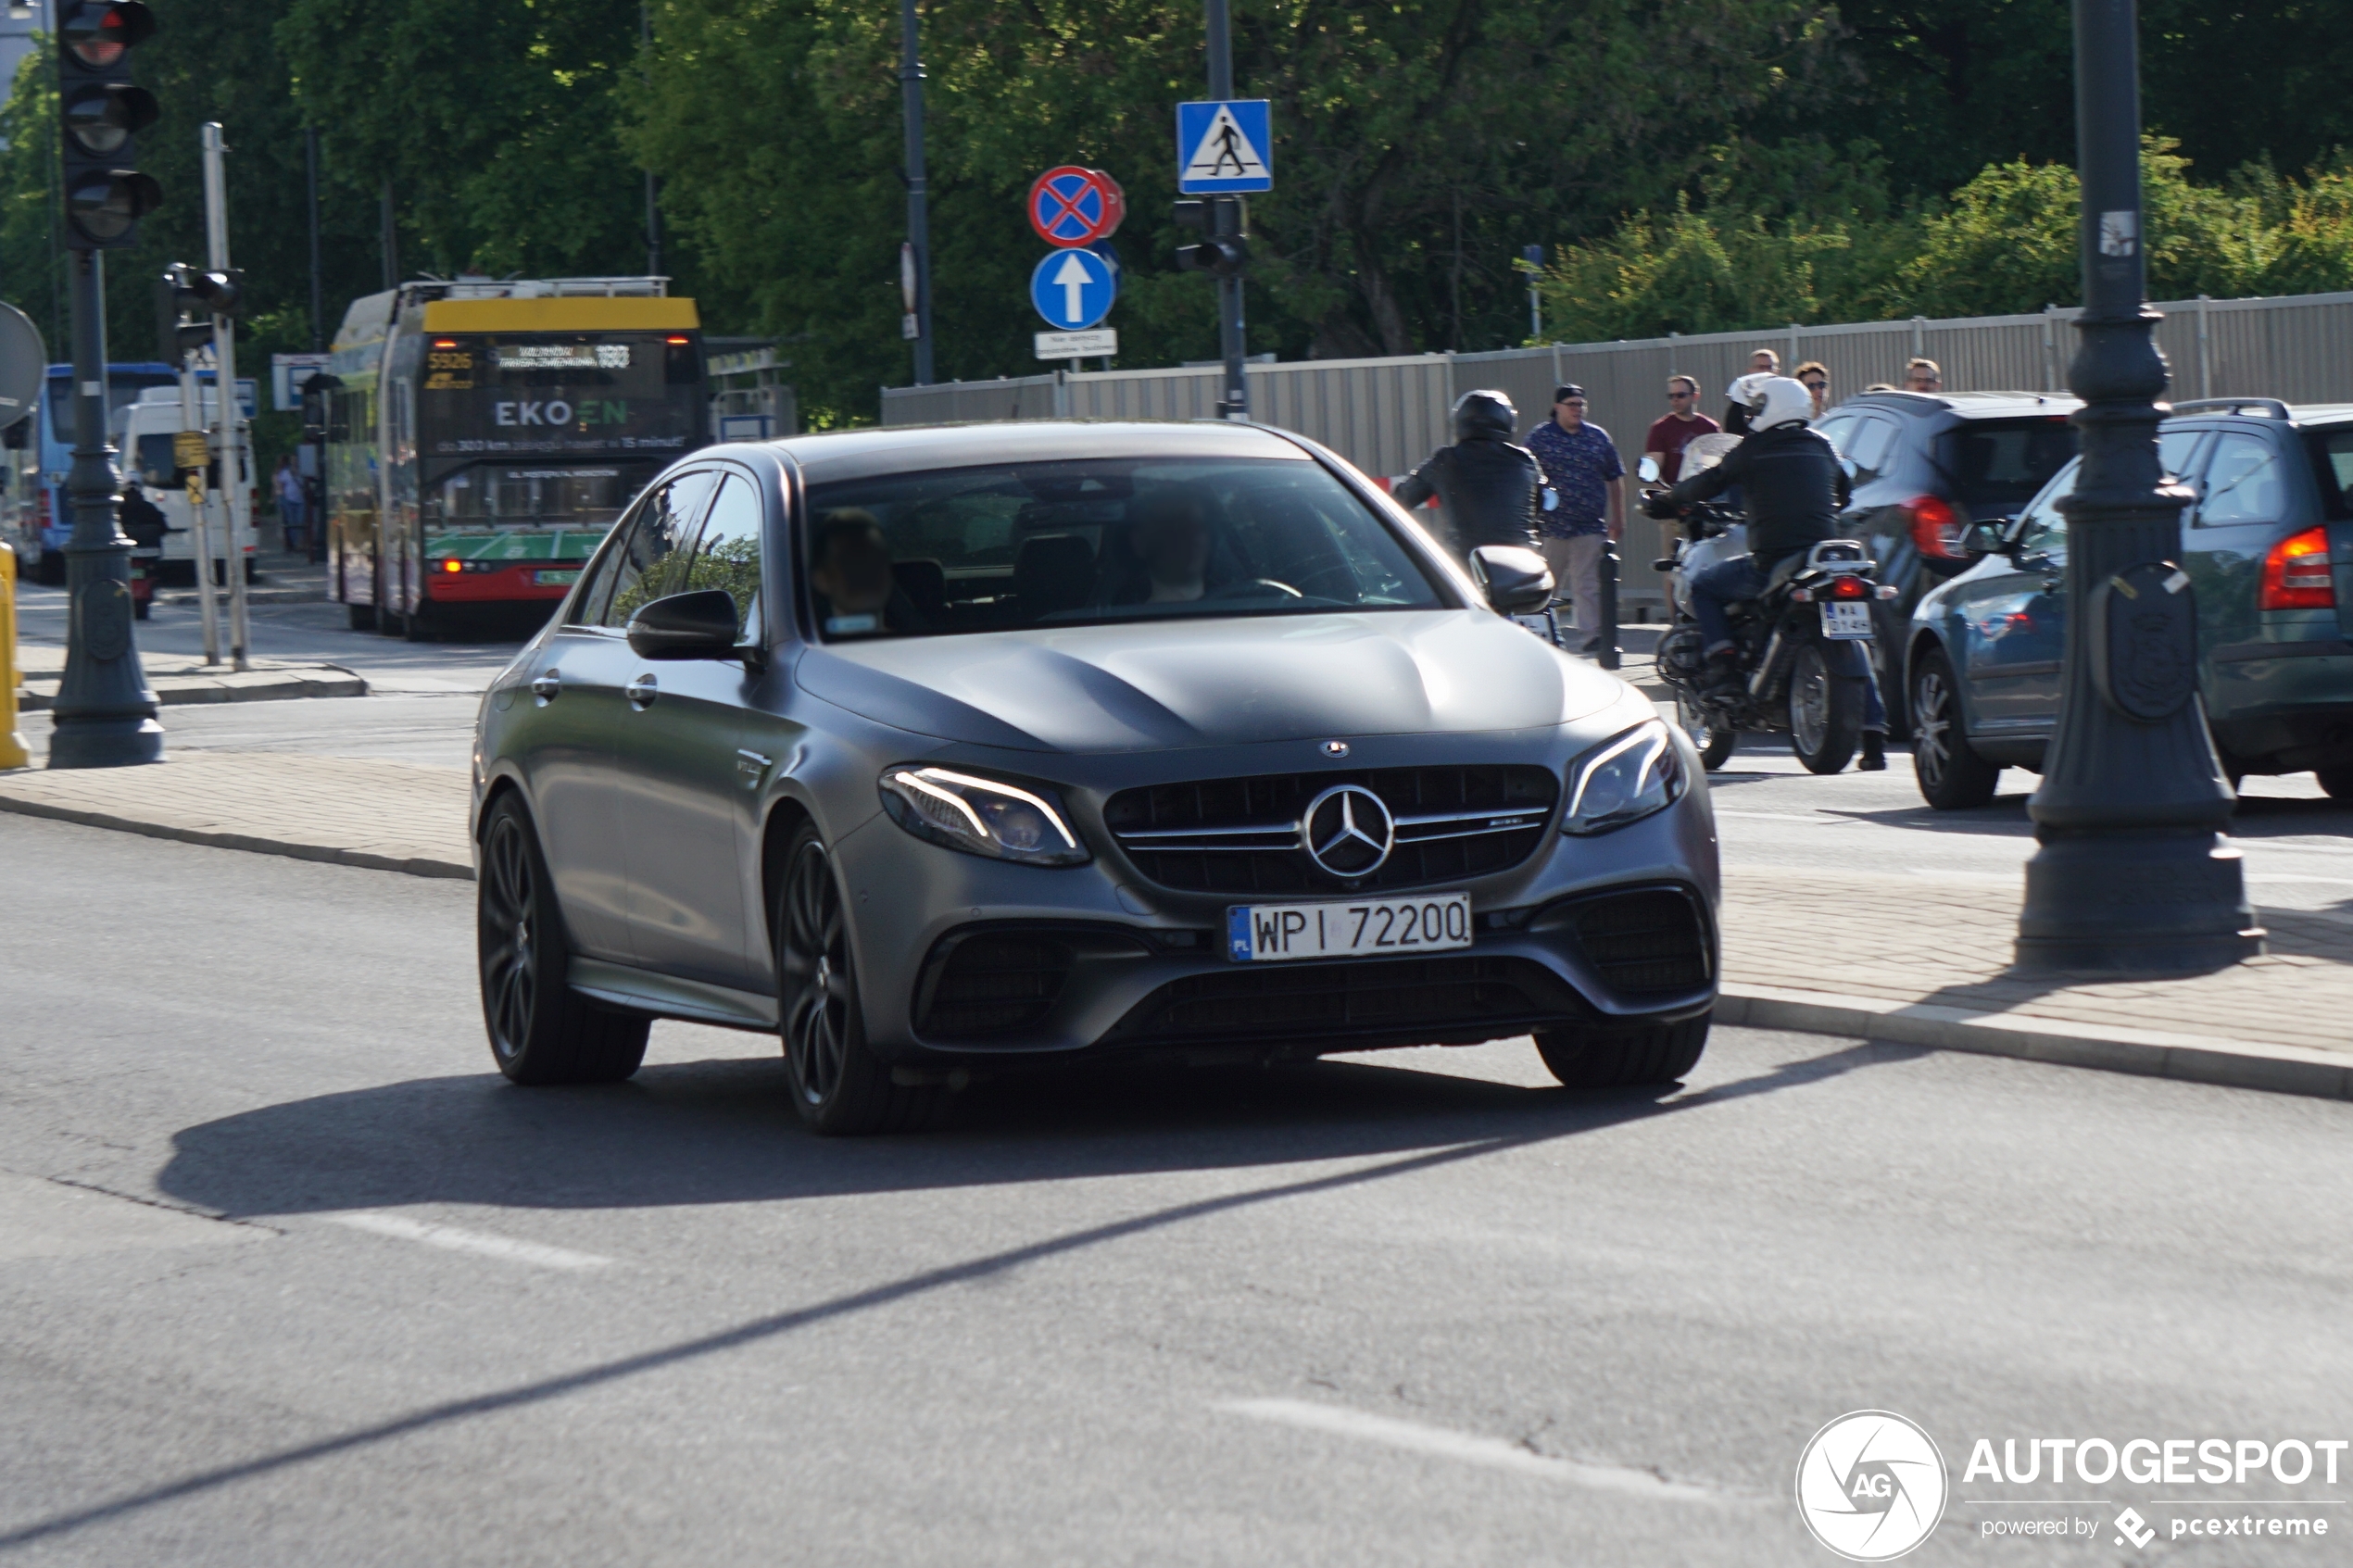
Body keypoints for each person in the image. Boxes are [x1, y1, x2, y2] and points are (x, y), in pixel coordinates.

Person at [1648, 375, 1886, 767]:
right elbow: (1844, 492)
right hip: (1821, 558)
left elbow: (1709, 482)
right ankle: (1874, 737)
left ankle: (1723, 664)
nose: (1752, 414)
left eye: (1757, 407)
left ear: (1769, 409)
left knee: (1705, 586)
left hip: (1773, 561)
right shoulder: (1821, 444)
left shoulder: (1754, 449)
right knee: (1851, 633)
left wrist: (1668, 500)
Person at [1523, 383, 1626, 653]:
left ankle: (1592, 635)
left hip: (1588, 525)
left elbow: (1615, 478)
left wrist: (1618, 517)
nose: (1577, 410)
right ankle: (1538, 634)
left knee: (1588, 584)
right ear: (1557, 407)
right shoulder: (1540, 438)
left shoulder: (1597, 437)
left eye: (1581, 405)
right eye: (1571, 404)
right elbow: (1525, 478)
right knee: (1545, 584)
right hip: (1551, 527)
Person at [1393, 388, 1541, 557]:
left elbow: (1402, 499)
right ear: (1506, 421)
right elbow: (1545, 501)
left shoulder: (1445, 460)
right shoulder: (1524, 461)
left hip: (1463, 565)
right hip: (1521, 562)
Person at [810, 509, 924, 635]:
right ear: (821, 579)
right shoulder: (804, 647)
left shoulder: (918, 646)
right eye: (850, 561)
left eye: (876, 559)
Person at [1642, 375, 1719, 485]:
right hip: (1674, 494)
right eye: (1671, 396)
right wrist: (1666, 495)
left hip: (1706, 494)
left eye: (1681, 395)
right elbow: (1654, 469)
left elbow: (1718, 464)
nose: (1675, 400)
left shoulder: (1710, 427)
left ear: (1695, 396)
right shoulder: (1660, 428)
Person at [274, 457, 306, 553]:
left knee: (300, 522)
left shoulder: (302, 472)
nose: (294, 462)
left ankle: (301, 543)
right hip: (289, 500)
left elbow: (305, 484)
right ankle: (294, 544)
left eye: (296, 460)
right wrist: (283, 497)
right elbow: (281, 485)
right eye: (293, 461)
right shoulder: (285, 472)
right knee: (291, 523)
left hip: (301, 501)